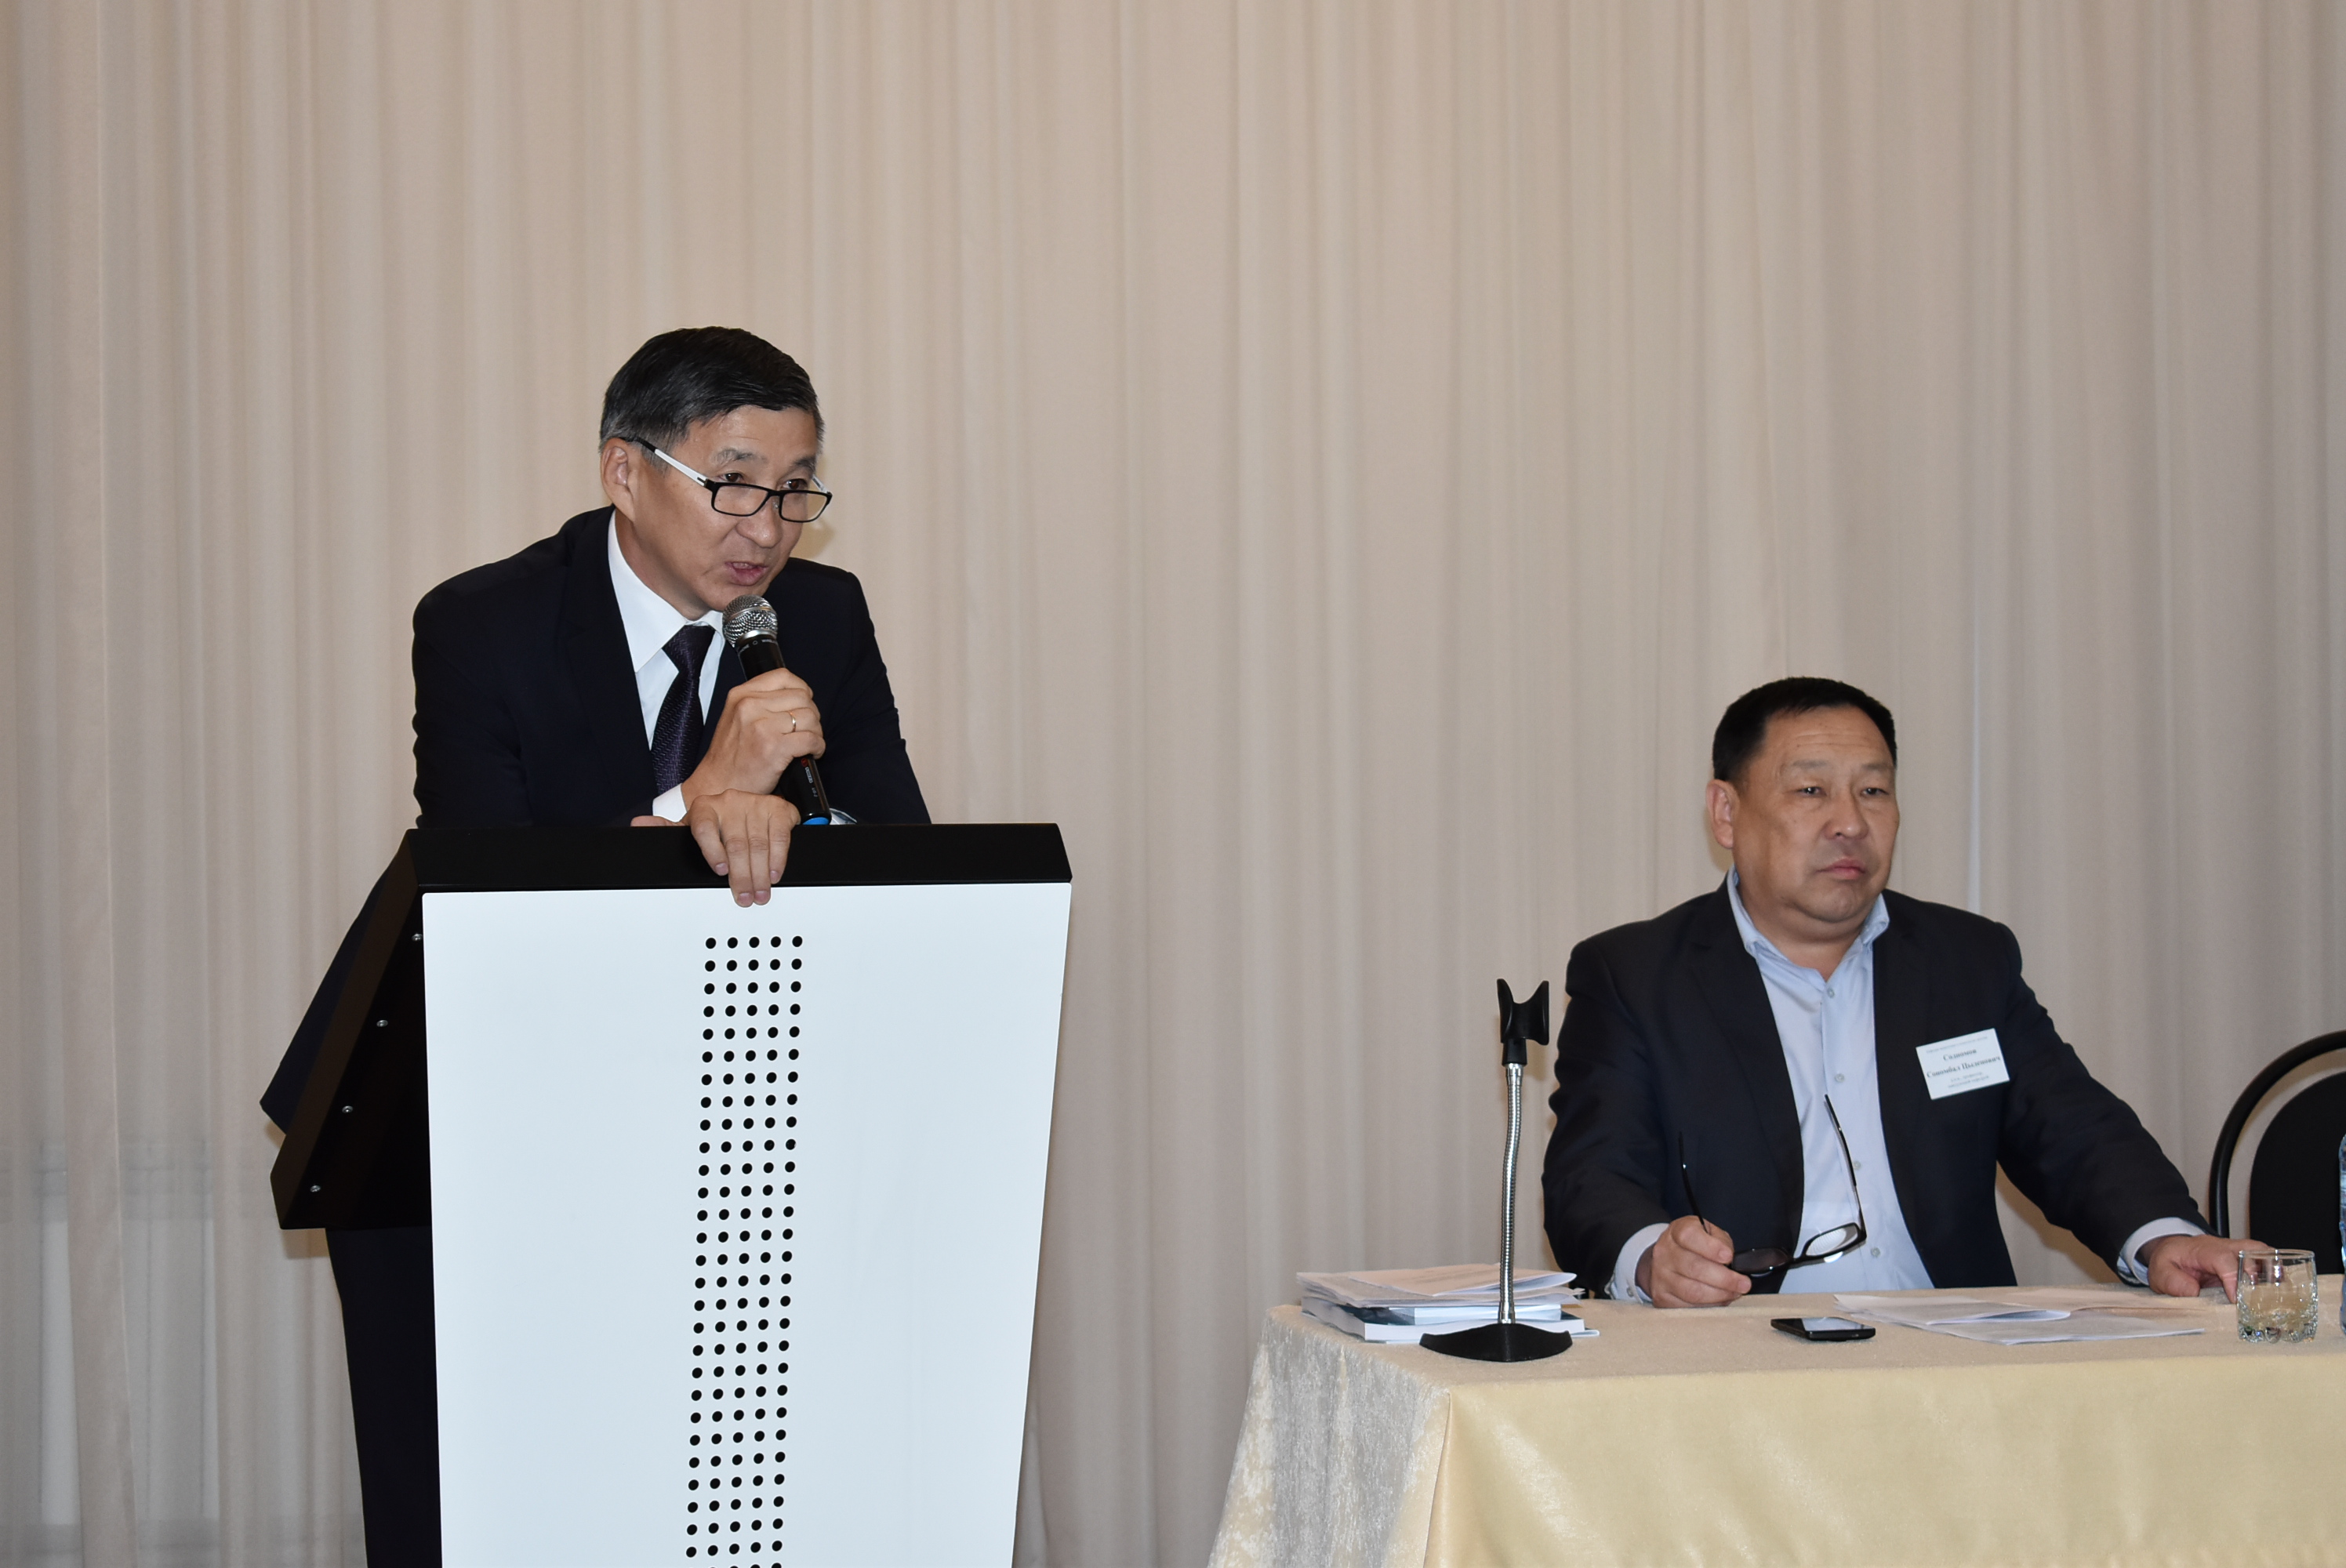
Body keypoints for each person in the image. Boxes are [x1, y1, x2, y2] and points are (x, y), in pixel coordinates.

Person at [261, 327, 927, 1563]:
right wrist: (703, 796)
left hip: (697, 1114)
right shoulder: (484, 623)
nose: (767, 528)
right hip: (441, 1113)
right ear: (627, 470)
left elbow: (900, 854)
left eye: (795, 490)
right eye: (733, 483)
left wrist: (803, 820)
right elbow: (496, 896)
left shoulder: (819, 616)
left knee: (676, 1491)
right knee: (468, 1499)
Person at [1541, 677, 2250, 1308]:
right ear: (1726, 813)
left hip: (1950, 1347)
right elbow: (1591, 1177)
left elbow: (2071, 1129)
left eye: (1874, 791)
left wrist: (2164, 1238)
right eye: (1811, 790)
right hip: (1742, 1351)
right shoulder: (1636, 975)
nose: (1851, 822)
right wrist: (1651, 1257)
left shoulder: (1966, 961)